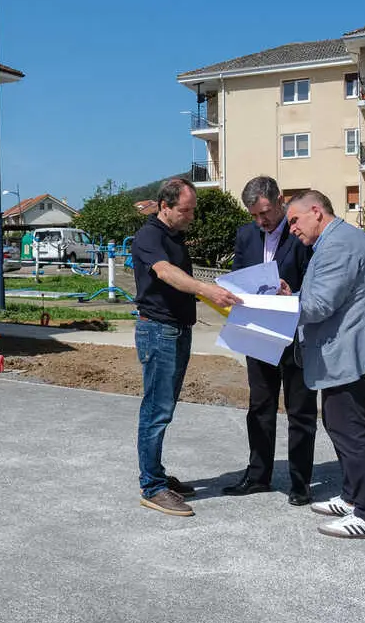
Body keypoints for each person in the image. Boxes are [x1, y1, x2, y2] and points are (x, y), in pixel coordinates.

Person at [283, 190, 365, 539]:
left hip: (347, 349)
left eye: (295, 220)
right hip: (345, 347)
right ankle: (353, 497)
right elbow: (324, 297)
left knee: (350, 429)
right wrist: (291, 297)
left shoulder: (337, 245)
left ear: (316, 211)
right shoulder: (339, 240)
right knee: (340, 424)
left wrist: (277, 307)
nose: (292, 229)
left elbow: (320, 305)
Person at [132, 178, 242, 516]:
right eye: (186, 210)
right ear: (165, 207)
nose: (191, 216)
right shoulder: (149, 236)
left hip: (177, 330)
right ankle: (152, 486)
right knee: (157, 409)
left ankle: (156, 474)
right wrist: (205, 290)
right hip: (158, 332)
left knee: (164, 407)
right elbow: (165, 272)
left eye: (193, 209)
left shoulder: (173, 235)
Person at [222, 177, 316, 506]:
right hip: (258, 333)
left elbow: (315, 280)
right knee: (259, 407)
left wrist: (293, 292)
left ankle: (301, 482)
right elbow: (237, 274)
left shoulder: (300, 231)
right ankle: (258, 476)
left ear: (279, 200)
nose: (261, 221)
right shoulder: (246, 235)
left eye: (264, 212)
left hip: (295, 334)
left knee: (300, 410)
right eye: (254, 215)